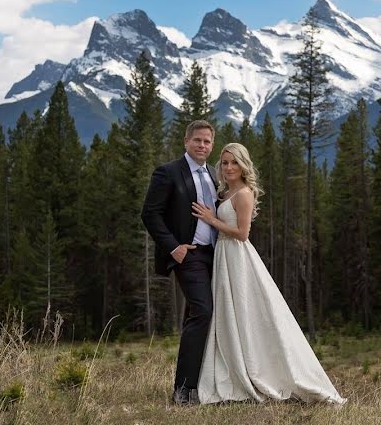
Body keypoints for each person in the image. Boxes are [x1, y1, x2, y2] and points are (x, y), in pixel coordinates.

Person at [191, 143, 346, 405]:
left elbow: (242, 233)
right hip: (223, 257)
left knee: (247, 309)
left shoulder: (244, 194)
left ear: (243, 166)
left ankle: (261, 370)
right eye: (225, 162)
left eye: (234, 163)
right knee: (228, 313)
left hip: (238, 256)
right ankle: (232, 366)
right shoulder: (225, 192)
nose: (228, 167)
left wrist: (211, 220)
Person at [141, 120, 219, 405]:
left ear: (212, 145)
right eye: (197, 140)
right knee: (202, 311)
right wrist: (174, 248)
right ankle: (183, 392)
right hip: (189, 255)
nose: (202, 146)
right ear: (186, 141)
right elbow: (150, 214)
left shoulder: (213, 174)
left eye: (207, 142)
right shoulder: (168, 172)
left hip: (215, 255)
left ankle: (203, 386)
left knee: (201, 316)